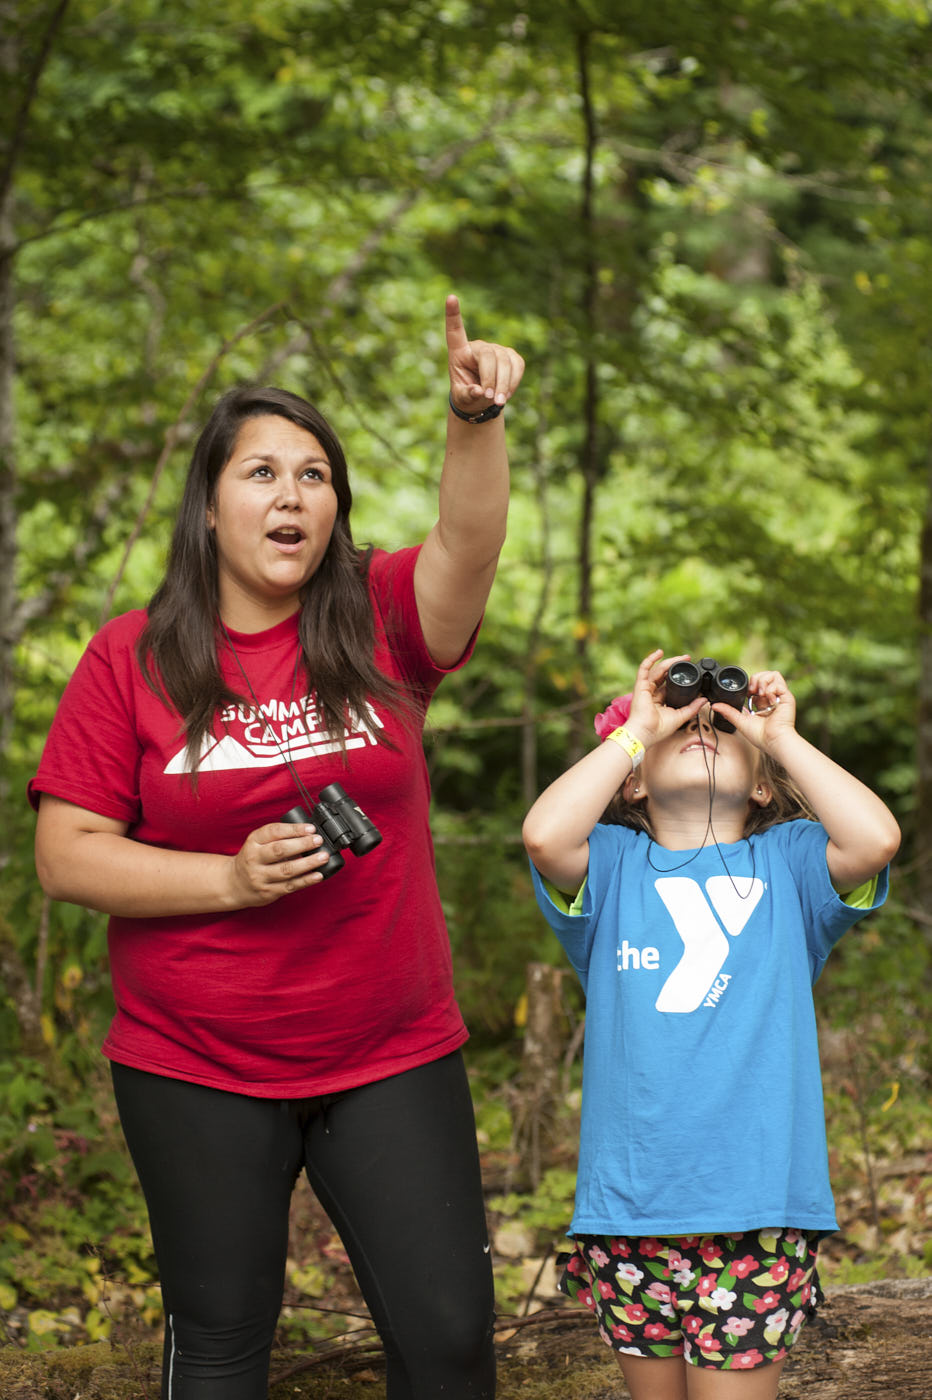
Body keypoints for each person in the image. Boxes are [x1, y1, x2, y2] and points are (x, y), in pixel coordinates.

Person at [29, 295, 524, 1400]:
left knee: (448, 1339)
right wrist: (229, 877)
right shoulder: (131, 660)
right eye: (259, 472)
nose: (291, 492)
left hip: (390, 1048)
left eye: (312, 473)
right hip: (194, 1058)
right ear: (208, 507)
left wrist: (472, 419)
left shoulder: (380, 617)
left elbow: (469, 541)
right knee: (217, 1342)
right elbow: (68, 855)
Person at [522, 648, 900, 1400]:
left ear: (762, 786)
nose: (702, 728)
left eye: (723, 727)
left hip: (756, 1208)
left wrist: (780, 735)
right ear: (633, 779)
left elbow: (875, 839)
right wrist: (636, 728)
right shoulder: (612, 863)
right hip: (629, 1209)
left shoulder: (790, 865)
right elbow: (543, 836)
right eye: (679, 728)